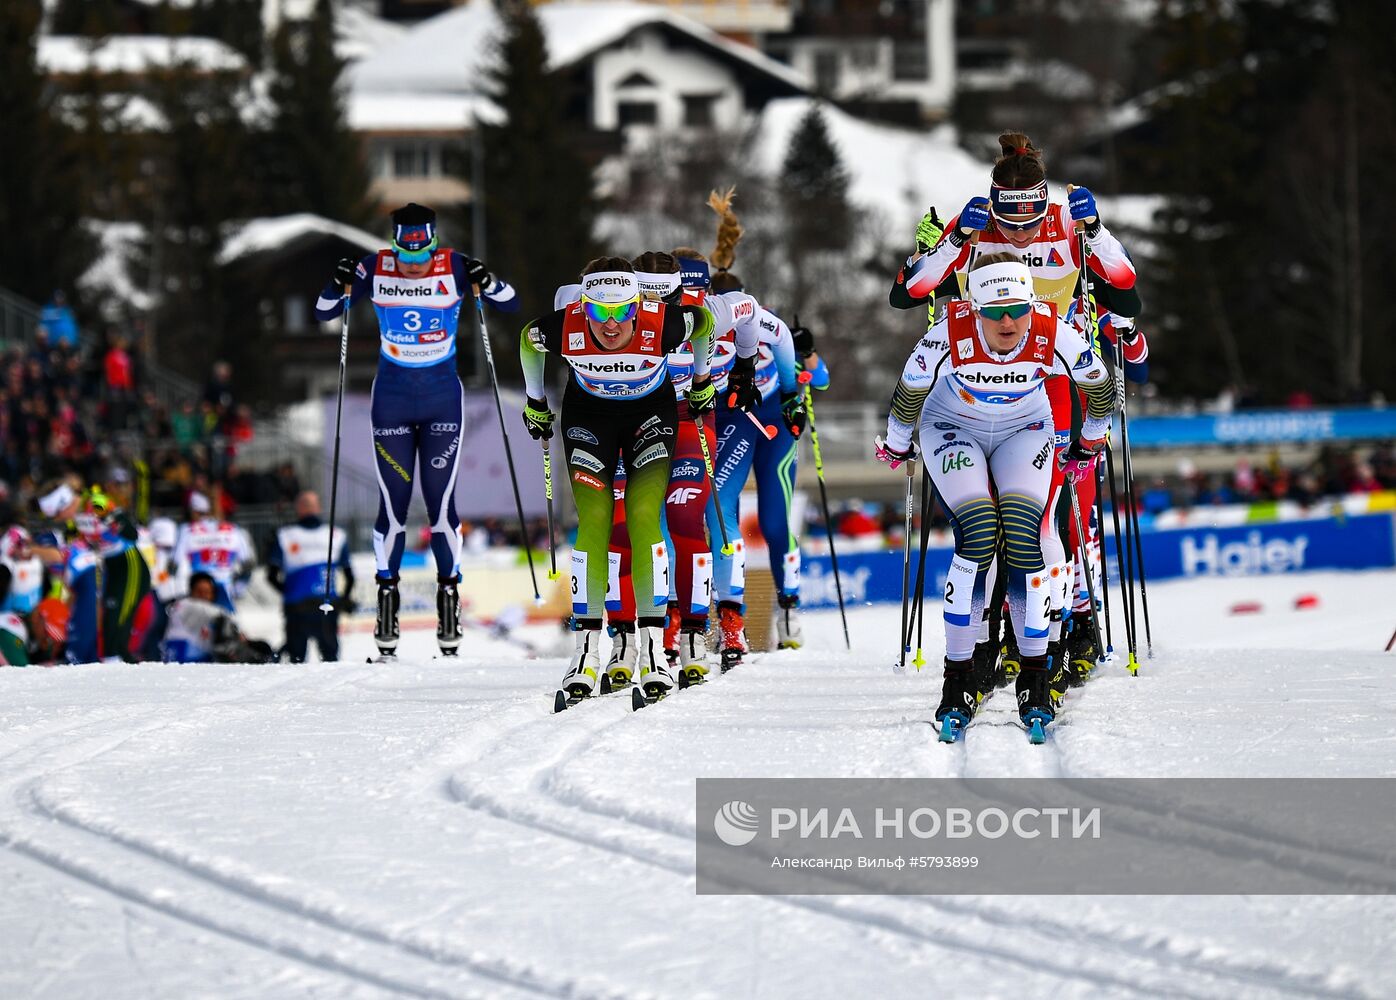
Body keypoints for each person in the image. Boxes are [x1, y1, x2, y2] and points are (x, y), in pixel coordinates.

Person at [889, 131, 1142, 693]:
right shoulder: (974, 222)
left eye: (1031, 220)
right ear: (994, 201)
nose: (1021, 231)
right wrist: (953, 240)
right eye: (1010, 220)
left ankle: (1074, 626)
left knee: (1050, 513)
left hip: (1054, 378)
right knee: (988, 521)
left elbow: (1127, 293)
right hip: (983, 378)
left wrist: (1095, 234)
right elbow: (906, 294)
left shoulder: (1069, 220)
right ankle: (994, 634)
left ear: (1045, 201)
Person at [877, 252, 1118, 738]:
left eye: (1017, 310)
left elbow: (1101, 387)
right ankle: (958, 678)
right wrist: (897, 444)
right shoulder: (948, 332)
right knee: (981, 532)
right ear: (974, 308)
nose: (1007, 323)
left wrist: (1090, 439)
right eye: (993, 312)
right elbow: (907, 394)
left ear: (1033, 304)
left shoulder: (1055, 332)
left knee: (1025, 535)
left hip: (1024, 428)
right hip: (952, 427)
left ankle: (1034, 676)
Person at [519, 257, 732, 705]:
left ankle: (654, 650)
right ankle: (585, 655)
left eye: (622, 312)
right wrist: (535, 402)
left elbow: (704, 323)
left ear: (638, 305)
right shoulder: (565, 326)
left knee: (642, 515)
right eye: (599, 312)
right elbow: (528, 340)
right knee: (595, 521)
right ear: (584, 306)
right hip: (588, 419)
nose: (611, 324)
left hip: (648, 418)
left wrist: (701, 382)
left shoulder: (663, 322)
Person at [314, 203, 519, 660]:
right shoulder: (374, 267)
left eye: (420, 258)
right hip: (392, 401)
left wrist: (489, 281)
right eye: (405, 260)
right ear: (393, 247)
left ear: (432, 243)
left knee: (442, 504)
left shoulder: (456, 266)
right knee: (393, 504)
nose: (413, 268)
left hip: (442, 399)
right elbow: (324, 312)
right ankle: (387, 612)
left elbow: (511, 303)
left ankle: (449, 604)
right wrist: (336, 281)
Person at [693, 190, 829, 665]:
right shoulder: (703, 327)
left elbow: (821, 376)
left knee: (775, 522)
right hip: (730, 425)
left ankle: (789, 609)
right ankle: (729, 613)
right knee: (719, 509)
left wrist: (805, 363)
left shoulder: (766, 326)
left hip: (773, 428)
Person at [266, 490, 354, 663]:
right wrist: (343, 599)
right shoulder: (336, 535)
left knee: (297, 660)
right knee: (330, 659)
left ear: (298, 508)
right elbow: (350, 576)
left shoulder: (284, 535)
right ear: (319, 508)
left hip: (297, 607)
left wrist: (288, 592)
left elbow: (271, 576)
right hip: (326, 605)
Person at [162, 572, 275, 664]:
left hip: (195, 660)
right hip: (181, 661)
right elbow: (221, 615)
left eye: (207, 592)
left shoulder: (204, 615)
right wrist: (238, 634)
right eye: (199, 591)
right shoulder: (185, 604)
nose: (203, 596)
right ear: (191, 591)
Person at [172, 491, 253, 612]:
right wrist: (238, 589)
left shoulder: (186, 531)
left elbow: (175, 563)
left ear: (193, 511)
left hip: (199, 591)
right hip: (225, 591)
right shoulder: (234, 530)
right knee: (225, 628)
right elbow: (248, 564)